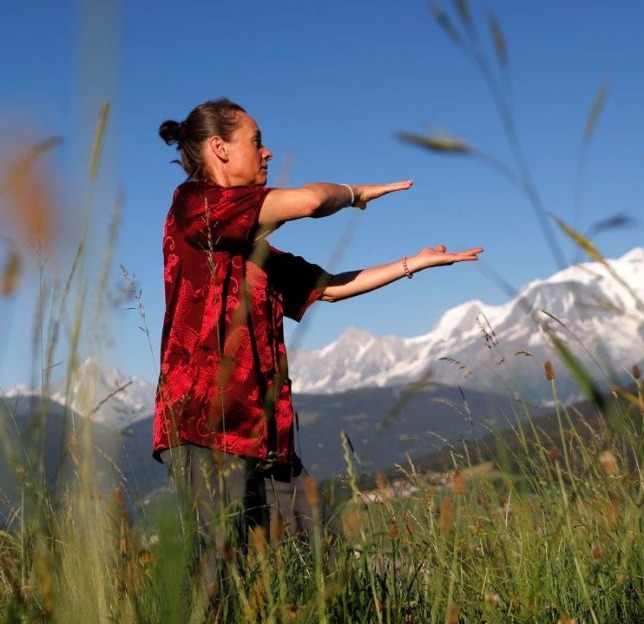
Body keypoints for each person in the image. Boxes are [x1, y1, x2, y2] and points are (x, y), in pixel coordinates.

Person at [154, 97, 482, 611]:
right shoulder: (194, 208)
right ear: (219, 148)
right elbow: (308, 201)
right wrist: (354, 195)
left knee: (322, 549)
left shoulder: (251, 245)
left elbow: (327, 288)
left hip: (265, 432)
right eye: (255, 141)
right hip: (206, 425)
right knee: (218, 573)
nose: (267, 153)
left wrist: (412, 263)